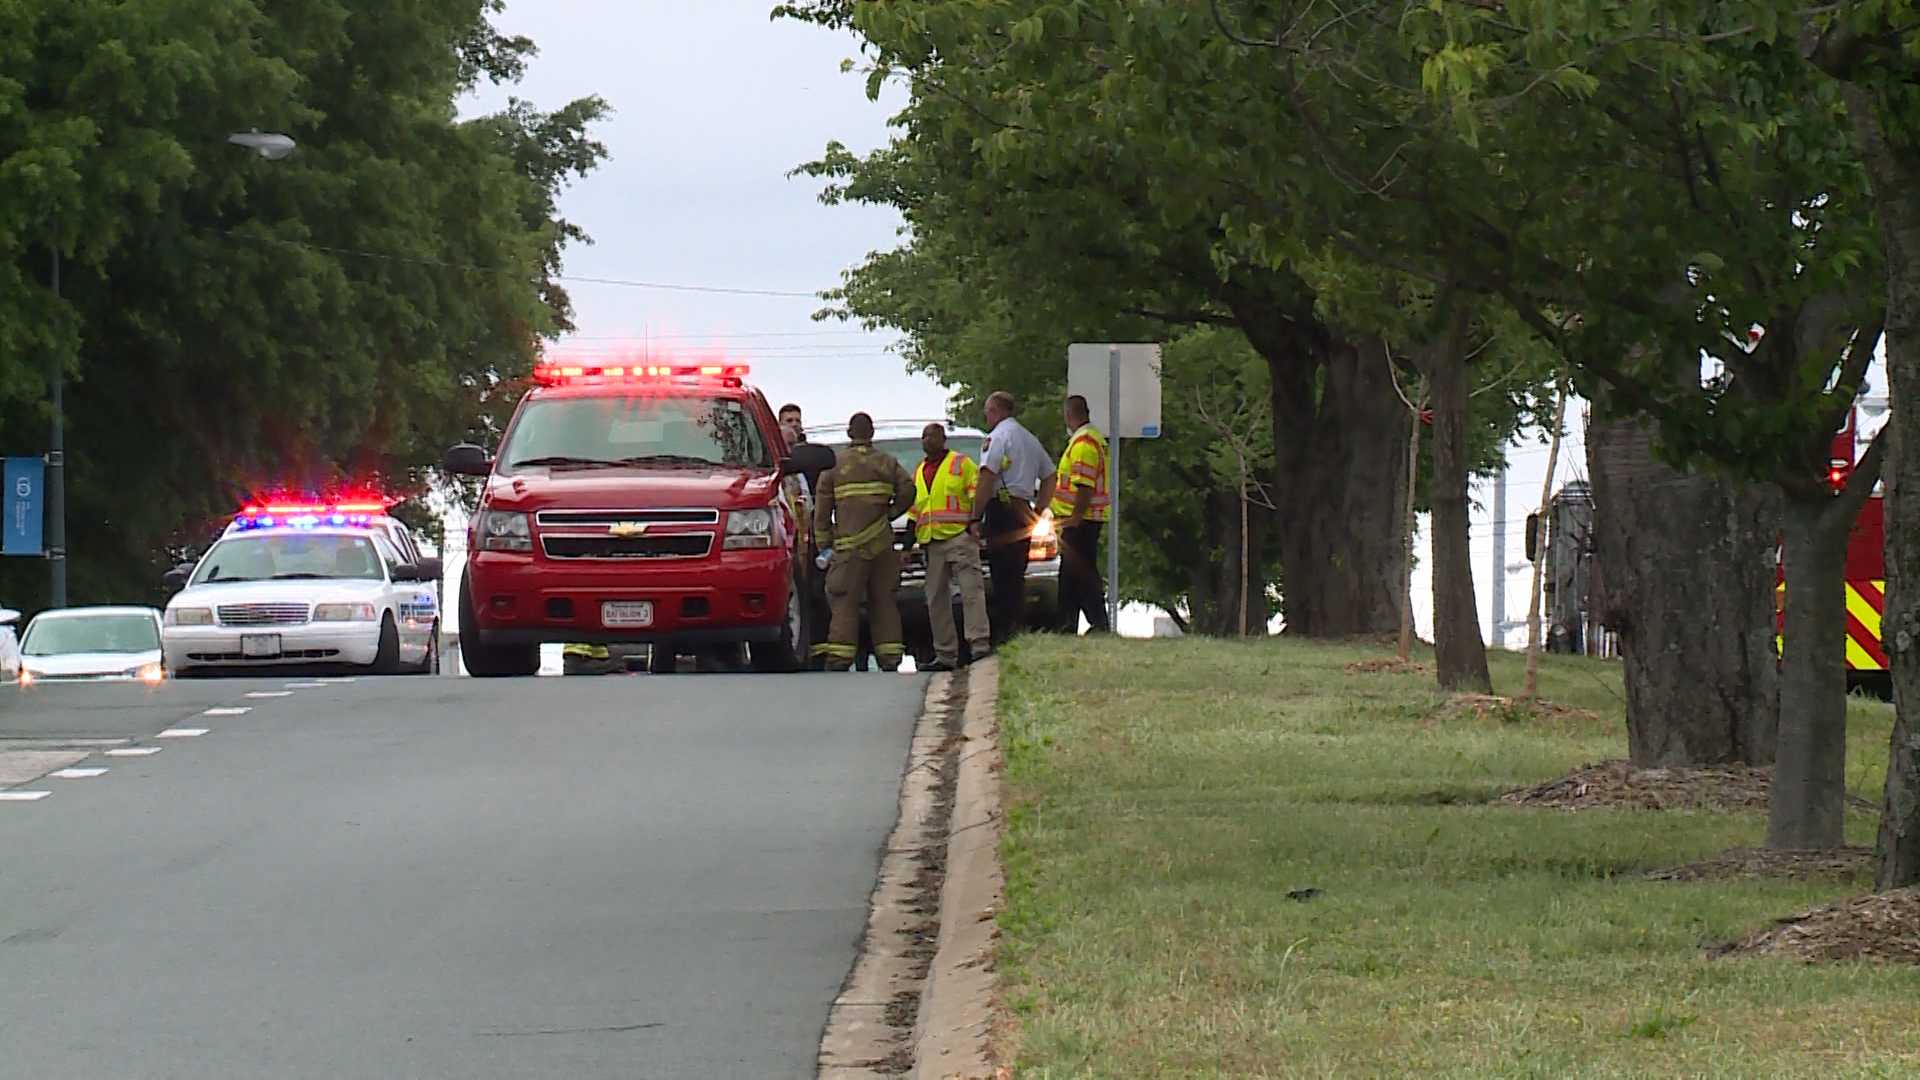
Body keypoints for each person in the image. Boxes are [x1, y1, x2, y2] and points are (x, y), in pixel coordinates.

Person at [813, 412, 916, 671]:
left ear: (850, 433)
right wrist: (890, 513)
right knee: (884, 600)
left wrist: (824, 545)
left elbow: (822, 511)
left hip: (849, 548)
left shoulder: (834, 466)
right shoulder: (887, 462)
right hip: (882, 544)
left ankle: (839, 658)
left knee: (844, 601)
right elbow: (909, 491)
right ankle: (890, 657)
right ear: (871, 434)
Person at [971, 390, 1052, 644]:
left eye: (988, 411)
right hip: (1023, 510)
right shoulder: (1029, 439)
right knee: (1017, 574)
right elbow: (1050, 476)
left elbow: (987, 477)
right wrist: (1038, 510)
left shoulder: (997, 437)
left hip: (1001, 511)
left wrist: (975, 516)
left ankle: (1006, 634)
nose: (986, 415)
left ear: (996, 410)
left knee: (1002, 575)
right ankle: (1017, 631)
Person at [912, 422, 992, 671]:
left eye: (932, 436)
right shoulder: (920, 470)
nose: (927, 440)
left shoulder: (961, 463)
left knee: (971, 591)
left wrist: (975, 523)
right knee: (935, 598)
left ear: (943, 439)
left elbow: (976, 496)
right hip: (932, 542)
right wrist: (908, 542)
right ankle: (946, 655)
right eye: (924, 436)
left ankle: (979, 645)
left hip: (960, 537)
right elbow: (917, 509)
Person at [1042, 394, 1111, 634]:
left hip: (1082, 519)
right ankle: (1067, 625)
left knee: (1081, 573)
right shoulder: (1089, 439)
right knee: (1072, 574)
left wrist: (1076, 516)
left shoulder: (1084, 443)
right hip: (1080, 518)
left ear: (1069, 415)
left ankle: (1098, 623)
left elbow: (1085, 484)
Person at [778, 403, 840, 669]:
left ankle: (819, 654)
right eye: (788, 420)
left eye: (796, 420)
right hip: (781, 545)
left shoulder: (811, 463)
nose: (794, 424)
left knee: (817, 596)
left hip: (807, 542)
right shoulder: (769, 467)